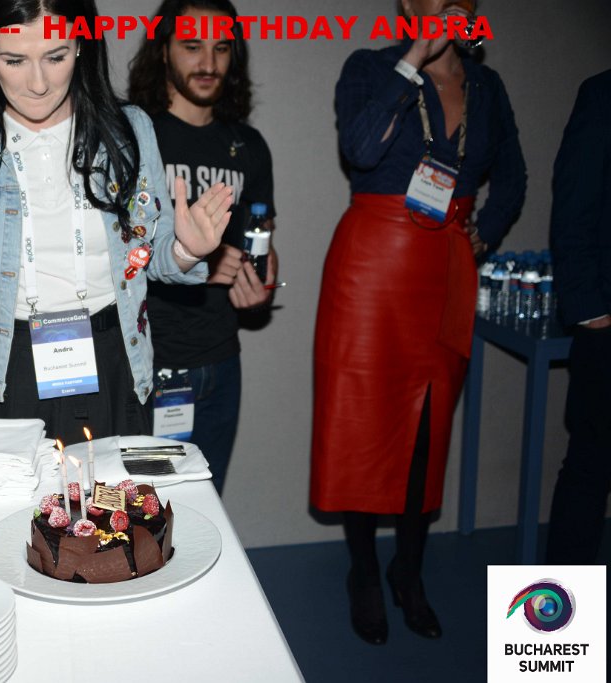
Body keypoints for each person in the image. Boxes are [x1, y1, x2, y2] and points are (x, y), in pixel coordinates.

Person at [0, 0, 232, 445]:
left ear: (81, 45)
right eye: (14, 60)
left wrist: (186, 250)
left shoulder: (128, 130)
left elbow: (150, 258)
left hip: (112, 358)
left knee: (110, 492)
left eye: (56, 56)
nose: (38, 83)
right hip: (0, 369)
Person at [310, 0, 526, 644]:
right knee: (362, 424)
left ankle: (409, 569)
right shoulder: (370, 66)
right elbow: (360, 149)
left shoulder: (488, 85)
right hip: (372, 267)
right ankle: (364, 572)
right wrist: (414, 59)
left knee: (428, 431)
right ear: (407, 4)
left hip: (447, 269)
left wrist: (484, 232)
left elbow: (513, 176)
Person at [128, 0, 276, 496]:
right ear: (163, 50)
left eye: (221, 48)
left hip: (221, 360)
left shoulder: (249, 145)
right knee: (144, 513)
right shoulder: (135, 136)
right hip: (149, 362)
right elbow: (107, 254)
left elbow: (263, 240)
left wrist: (259, 281)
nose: (208, 62)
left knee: (207, 508)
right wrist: (197, 262)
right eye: (192, 46)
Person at [545, 70, 611, 566]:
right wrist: (591, 312)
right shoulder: (603, 93)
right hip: (607, 322)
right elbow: (573, 202)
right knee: (591, 466)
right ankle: (554, 619)